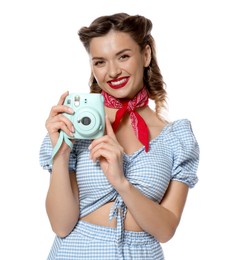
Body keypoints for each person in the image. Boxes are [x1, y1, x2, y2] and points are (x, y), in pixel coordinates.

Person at [39, 12, 200, 260]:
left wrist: (121, 182)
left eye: (123, 56)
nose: (112, 72)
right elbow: (61, 225)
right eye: (100, 62)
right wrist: (61, 152)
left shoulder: (176, 138)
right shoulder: (75, 125)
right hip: (75, 251)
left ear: (145, 55)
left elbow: (165, 230)